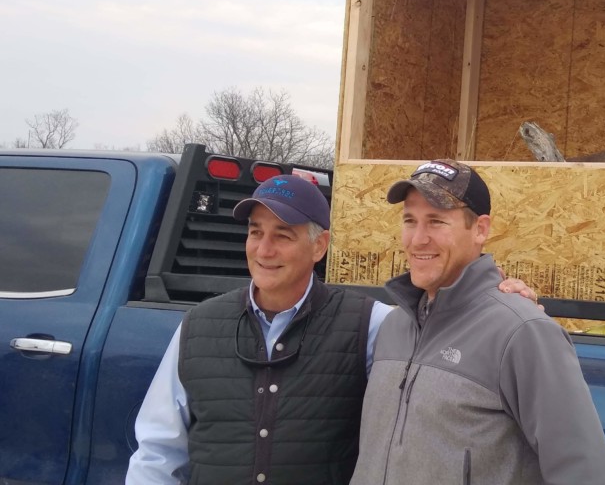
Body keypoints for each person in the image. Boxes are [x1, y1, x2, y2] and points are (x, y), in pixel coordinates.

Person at [127, 173, 537, 484]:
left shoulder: (371, 324)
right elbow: (157, 453)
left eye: (283, 235)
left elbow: (444, 325)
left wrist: (497, 296)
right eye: (256, 233)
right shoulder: (197, 327)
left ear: (319, 246)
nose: (264, 250)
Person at [351, 159, 605, 484]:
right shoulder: (394, 327)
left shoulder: (522, 333)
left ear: (480, 229)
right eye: (410, 220)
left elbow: (586, 473)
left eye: (436, 221)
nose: (418, 239)